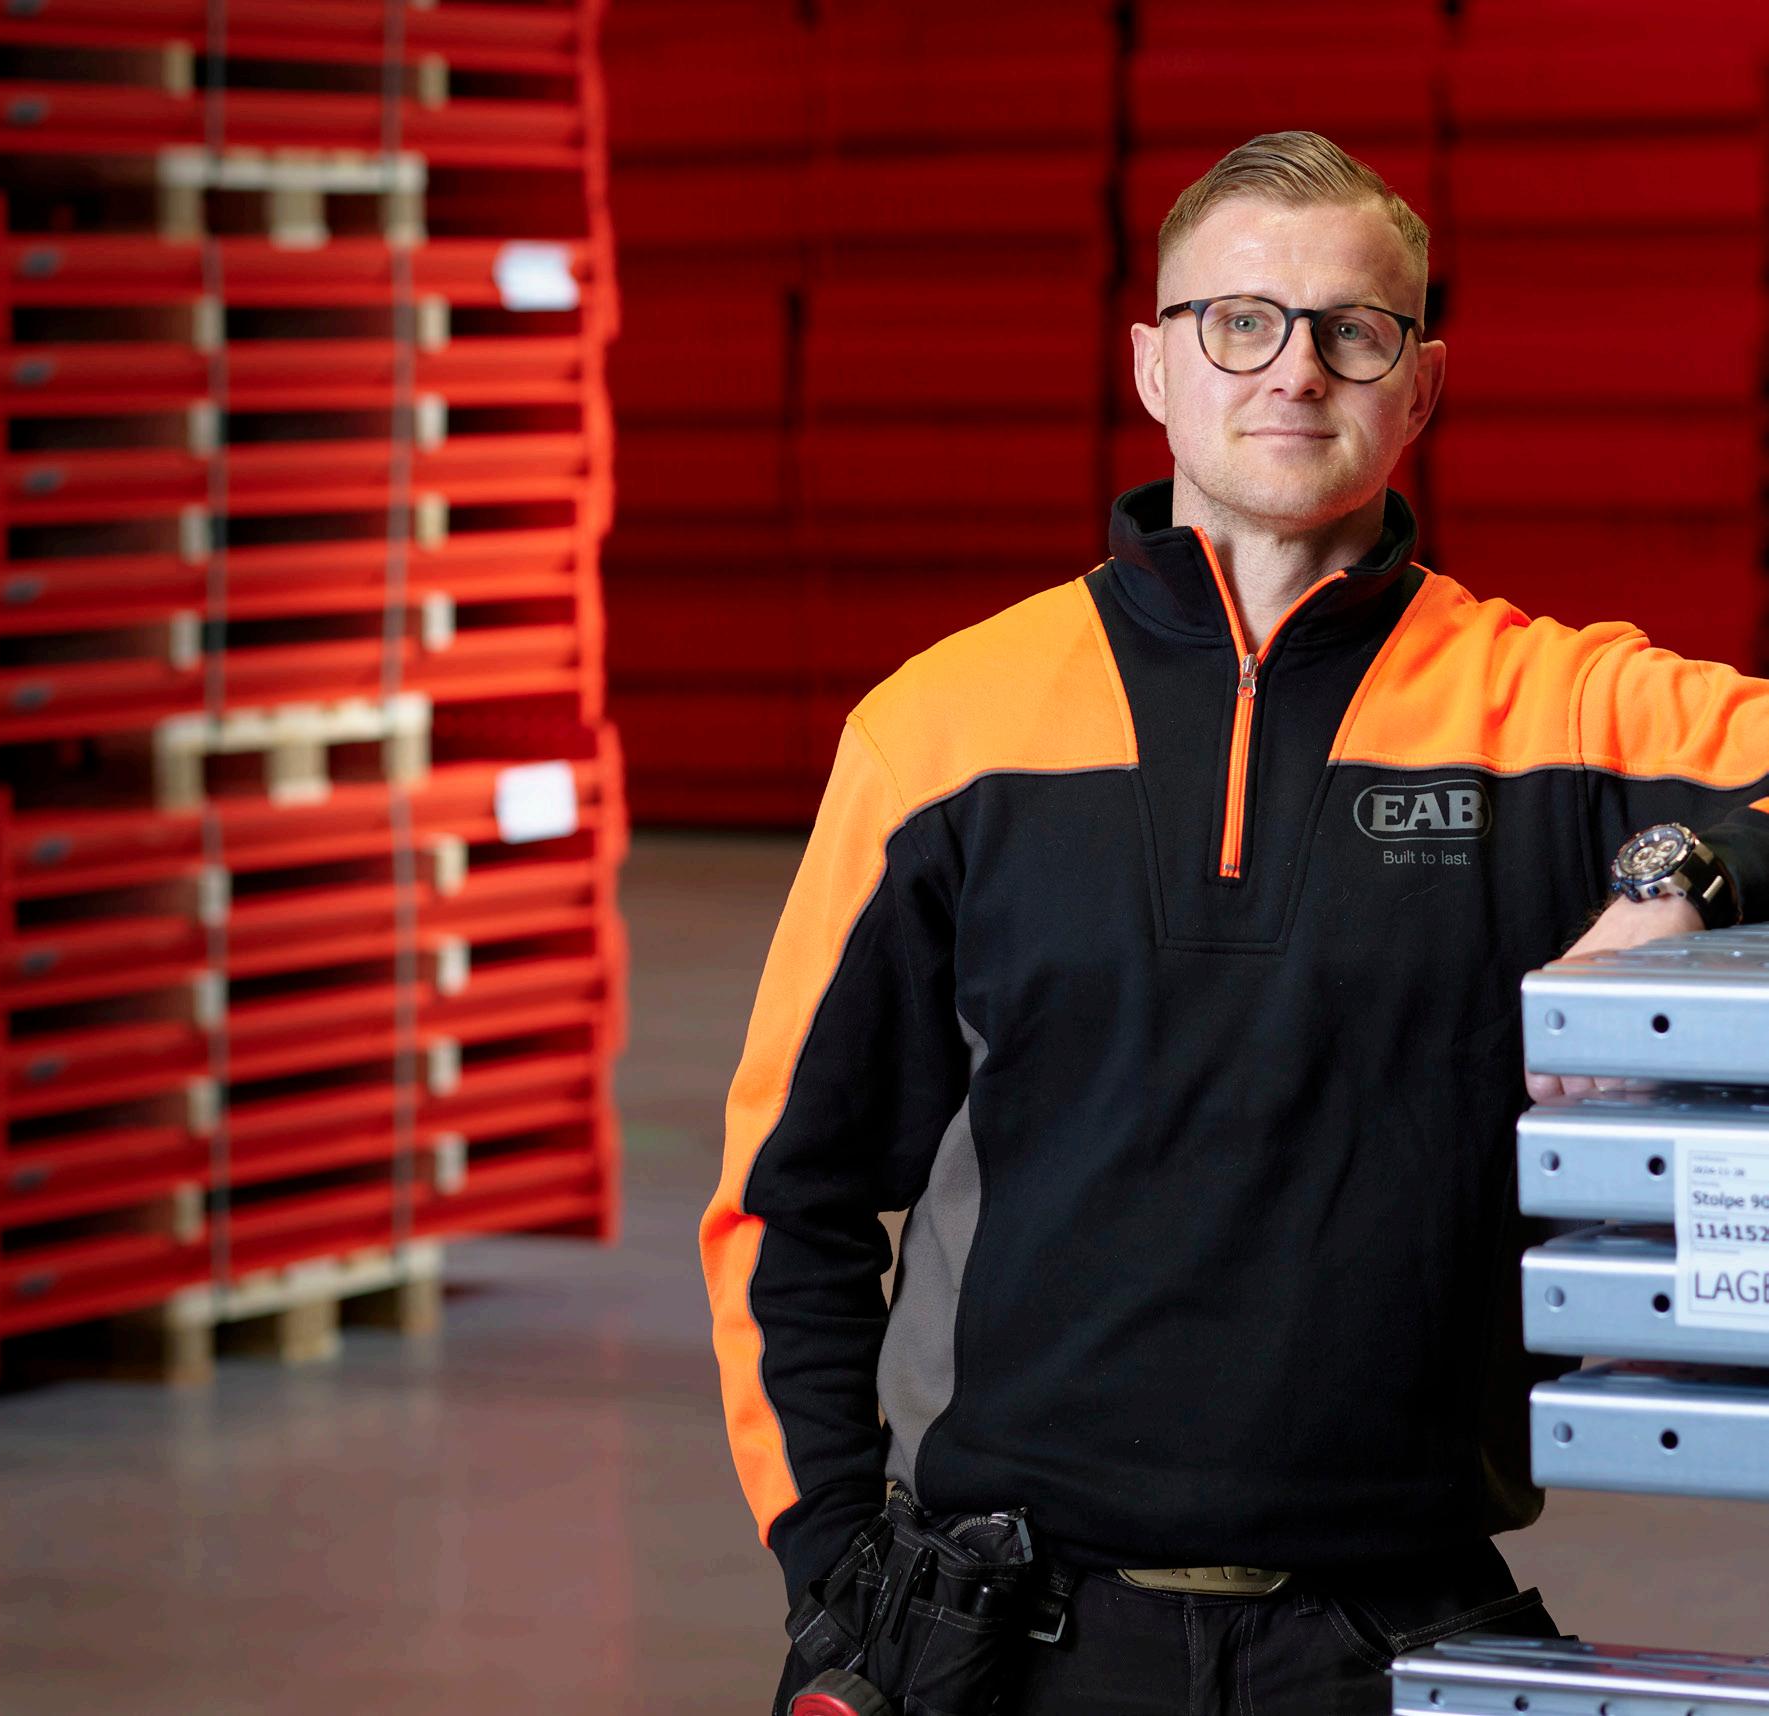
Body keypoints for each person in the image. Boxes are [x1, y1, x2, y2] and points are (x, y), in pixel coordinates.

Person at [698, 130, 1769, 1716]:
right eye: (1238, 321)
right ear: (1152, 364)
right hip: (1006, 1641)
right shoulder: (942, 731)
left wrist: (1678, 870)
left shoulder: (1550, 708)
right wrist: (834, 1582)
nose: (1294, 369)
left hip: (1385, 1634)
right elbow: (788, 1198)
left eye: (1353, 329)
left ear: (1420, 386)